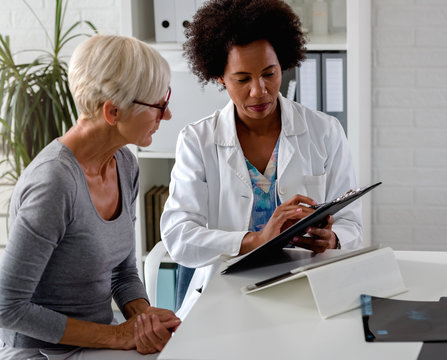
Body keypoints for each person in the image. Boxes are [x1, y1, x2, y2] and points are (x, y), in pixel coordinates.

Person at [161, 0, 362, 316]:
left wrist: (333, 238)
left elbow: (352, 223)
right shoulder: (197, 141)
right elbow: (179, 236)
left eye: (270, 73)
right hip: (225, 296)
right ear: (219, 78)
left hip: (309, 290)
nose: (260, 91)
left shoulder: (325, 131)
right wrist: (254, 240)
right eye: (242, 79)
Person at [0, 34, 180, 359]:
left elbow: (122, 273)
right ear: (113, 112)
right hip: (42, 352)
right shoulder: (53, 183)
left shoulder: (124, 164)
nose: (166, 115)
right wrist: (117, 336)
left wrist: (143, 320)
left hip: (96, 342)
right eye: (159, 104)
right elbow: (7, 307)